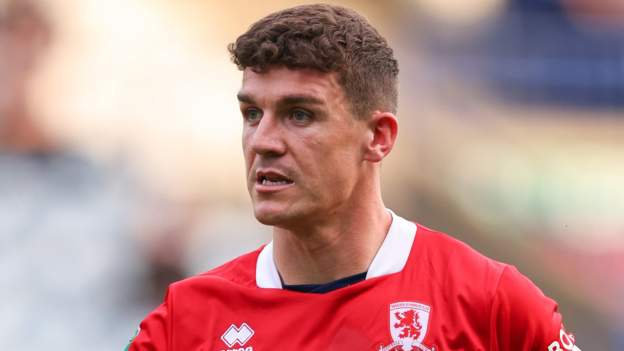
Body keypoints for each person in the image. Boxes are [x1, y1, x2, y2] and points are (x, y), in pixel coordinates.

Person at [127, 4, 581, 350]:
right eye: (251, 114)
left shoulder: (489, 304)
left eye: (299, 114)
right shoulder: (185, 322)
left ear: (379, 137)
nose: (263, 140)